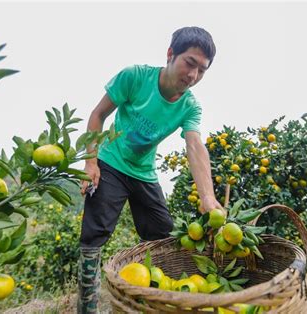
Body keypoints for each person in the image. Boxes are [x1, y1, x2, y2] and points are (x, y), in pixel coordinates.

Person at [77, 26, 222, 313]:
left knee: (162, 233)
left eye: (202, 71)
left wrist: (208, 197)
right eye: (189, 63)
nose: (193, 76)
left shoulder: (190, 107)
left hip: (144, 173)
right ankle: (87, 305)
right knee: (94, 234)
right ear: (170, 54)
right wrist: (90, 162)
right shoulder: (135, 77)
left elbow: (194, 146)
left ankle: (155, 300)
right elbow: (98, 114)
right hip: (111, 163)